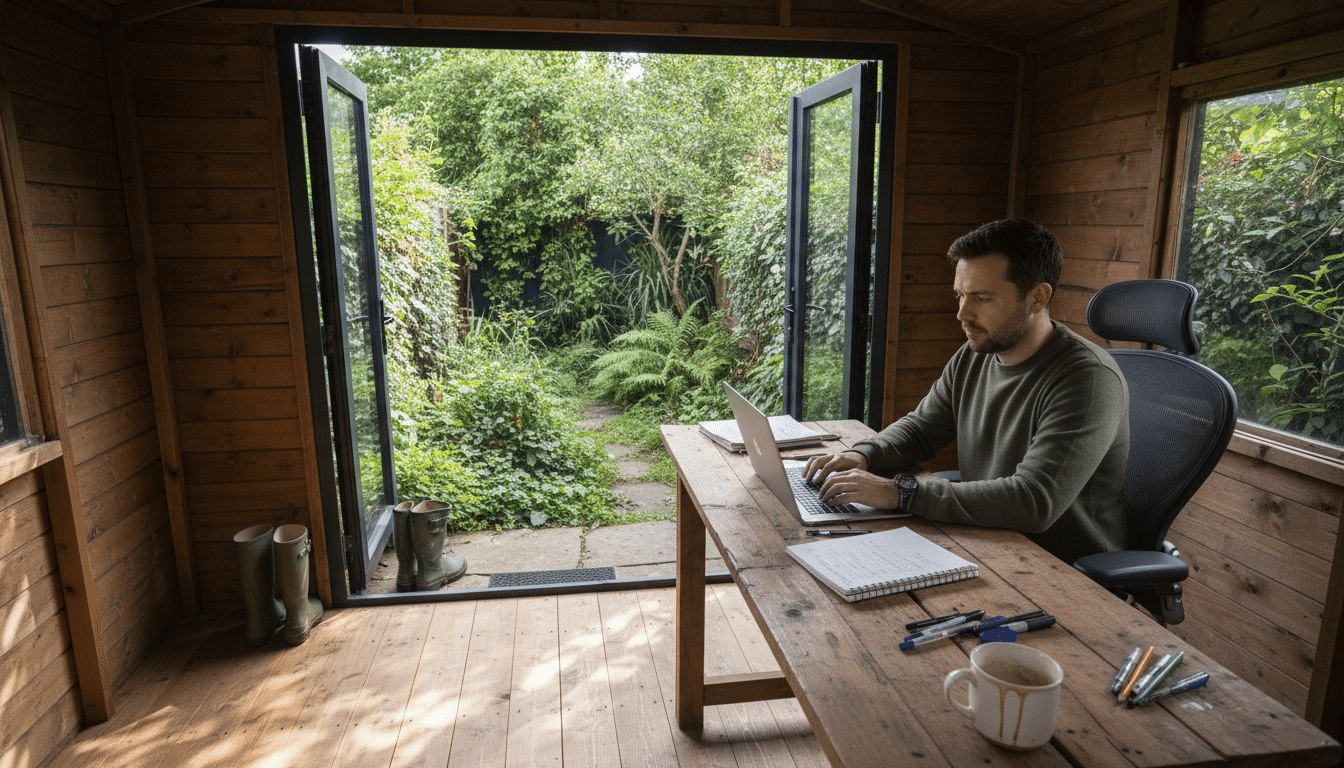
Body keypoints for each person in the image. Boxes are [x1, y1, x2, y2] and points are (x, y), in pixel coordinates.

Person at [804, 218, 1128, 563]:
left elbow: (1034, 501)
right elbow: (922, 428)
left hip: (1060, 569)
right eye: (960, 295)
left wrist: (898, 491)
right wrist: (864, 454)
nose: (963, 313)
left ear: (1037, 297)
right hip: (986, 541)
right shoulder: (977, 354)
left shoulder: (1088, 379)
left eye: (982, 298)